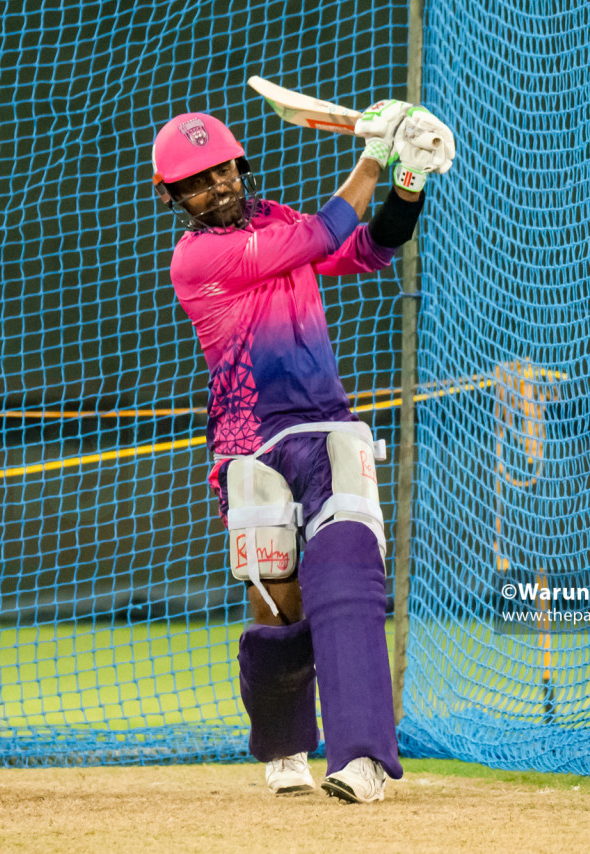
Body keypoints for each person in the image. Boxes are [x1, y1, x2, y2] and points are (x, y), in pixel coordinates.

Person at [151, 100, 455, 804]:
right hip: (248, 441)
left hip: (327, 425)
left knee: (349, 581)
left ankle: (362, 761)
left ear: (239, 165)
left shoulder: (279, 222)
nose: (217, 185)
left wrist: (409, 180)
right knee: (276, 600)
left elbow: (368, 248)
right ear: (170, 196)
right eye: (196, 181)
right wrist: (377, 153)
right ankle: (286, 743)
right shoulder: (199, 257)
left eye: (222, 168)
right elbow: (326, 231)